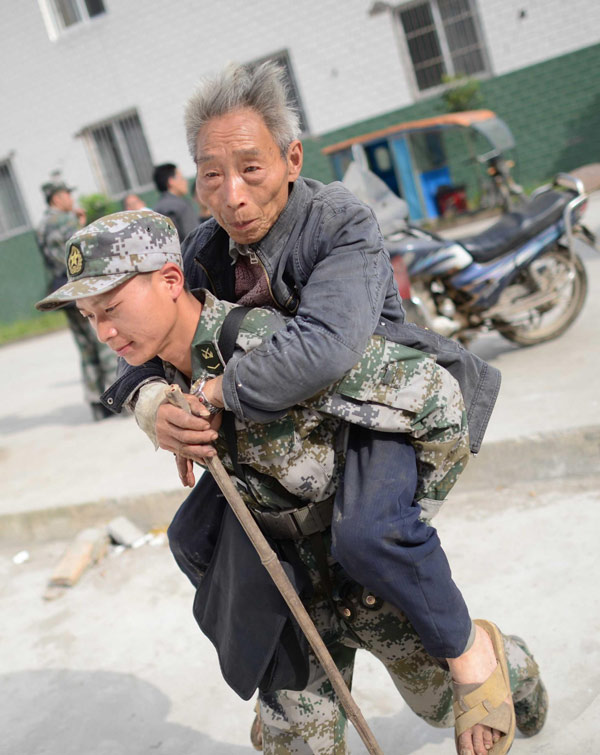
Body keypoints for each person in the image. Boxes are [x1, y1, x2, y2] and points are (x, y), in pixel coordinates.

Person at [101, 64, 547, 754]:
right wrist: (153, 400)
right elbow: (148, 334)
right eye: (212, 175)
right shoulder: (203, 249)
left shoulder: (339, 222)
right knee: (199, 537)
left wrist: (216, 392)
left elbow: (325, 348)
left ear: (291, 158)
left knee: (370, 538)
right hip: (273, 463)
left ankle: (481, 660)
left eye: (250, 168)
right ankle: (288, 703)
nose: (233, 194)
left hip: (370, 425)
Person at [36, 180, 117, 420]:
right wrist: (80, 224)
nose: (70, 199)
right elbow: (79, 254)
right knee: (103, 342)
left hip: (61, 291)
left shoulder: (41, 226)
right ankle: (114, 397)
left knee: (85, 348)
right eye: (66, 195)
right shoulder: (66, 219)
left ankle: (95, 402)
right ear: (56, 198)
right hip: (80, 288)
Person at [152, 162, 198, 241]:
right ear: (171, 181)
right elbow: (194, 237)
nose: (185, 181)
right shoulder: (181, 206)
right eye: (181, 177)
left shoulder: (156, 209)